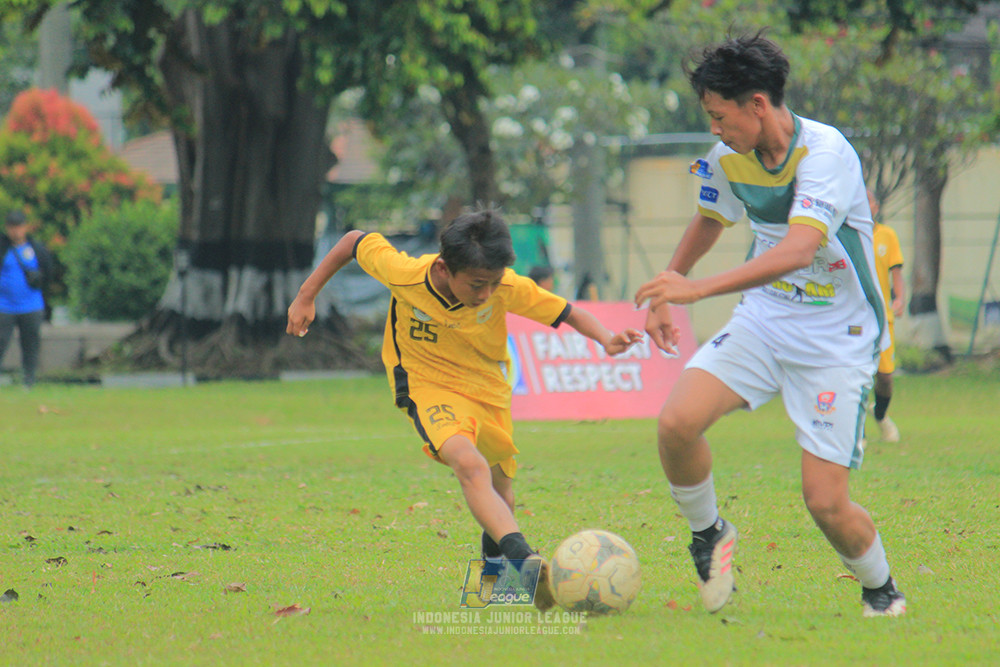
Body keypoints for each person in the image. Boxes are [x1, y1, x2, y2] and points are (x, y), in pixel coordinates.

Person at [634, 33, 905, 617]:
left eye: (719, 116)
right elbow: (710, 218)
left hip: (839, 339)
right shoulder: (727, 157)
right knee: (676, 423)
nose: (716, 129)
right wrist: (666, 287)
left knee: (826, 503)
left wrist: (696, 290)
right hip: (765, 319)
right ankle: (709, 533)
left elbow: (800, 250)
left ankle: (882, 591)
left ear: (758, 104)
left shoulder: (826, 154)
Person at [287, 208, 642, 610]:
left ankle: (493, 588)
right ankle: (524, 560)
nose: (487, 294)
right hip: (427, 385)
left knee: (501, 493)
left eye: (493, 283)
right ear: (443, 267)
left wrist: (607, 338)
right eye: (476, 284)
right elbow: (353, 240)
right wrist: (306, 294)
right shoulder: (404, 273)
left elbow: (567, 312)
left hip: (488, 389)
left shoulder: (504, 285)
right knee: (468, 464)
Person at [867, 190, 905, 443]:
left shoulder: (887, 235)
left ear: (876, 206)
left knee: (885, 376)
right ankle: (857, 433)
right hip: (854, 317)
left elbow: (896, 271)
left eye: (868, 201)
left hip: (883, 318)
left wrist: (900, 298)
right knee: (854, 374)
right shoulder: (845, 234)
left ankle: (880, 415)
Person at [0, 210, 52, 389]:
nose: (15, 232)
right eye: (12, 227)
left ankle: (28, 380)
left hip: (31, 305)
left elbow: (49, 271)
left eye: (19, 227)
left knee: (30, 344)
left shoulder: (36, 248)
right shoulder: (3, 247)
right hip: (4, 306)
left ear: (25, 227)